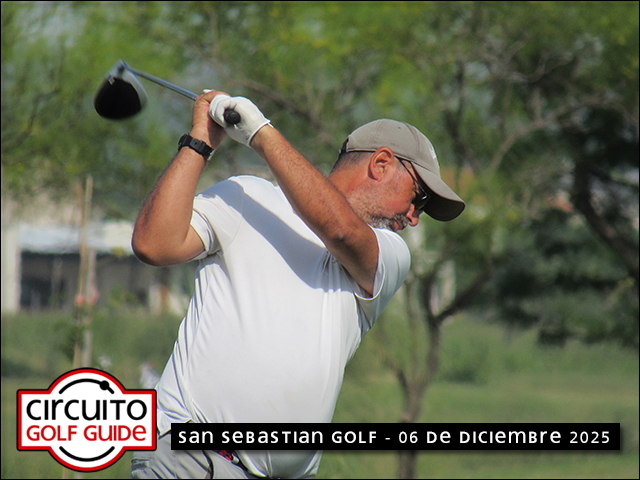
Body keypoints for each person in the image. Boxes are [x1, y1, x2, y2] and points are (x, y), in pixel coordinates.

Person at [129, 90, 465, 479]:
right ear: (381, 164)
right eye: (417, 198)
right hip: (191, 457)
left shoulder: (390, 253)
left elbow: (340, 230)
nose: (414, 216)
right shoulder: (247, 196)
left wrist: (259, 132)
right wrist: (199, 142)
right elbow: (153, 244)